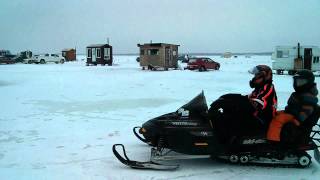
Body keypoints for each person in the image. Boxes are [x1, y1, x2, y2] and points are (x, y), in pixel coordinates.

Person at [267, 70, 319, 143]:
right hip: (291, 112)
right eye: (297, 81)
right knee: (273, 114)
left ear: (308, 82)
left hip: (296, 116)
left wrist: (298, 120)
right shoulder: (300, 93)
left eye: (301, 82)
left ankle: (273, 140)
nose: (298, 84)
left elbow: (307, 110)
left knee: (278, 119)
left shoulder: (308, 95)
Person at [248, 65, 278, 130]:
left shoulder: (268, 87)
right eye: (254, 76)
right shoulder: (259, 88)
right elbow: (250, 97)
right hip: (257, 115)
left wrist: (249, 103)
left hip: (265, 118)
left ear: (264, 76)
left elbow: (261, 102)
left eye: (257, 76)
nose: (254, 78)